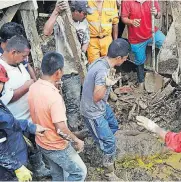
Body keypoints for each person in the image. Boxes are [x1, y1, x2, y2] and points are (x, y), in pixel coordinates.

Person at [28, 51, 87, 181]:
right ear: (58, 72)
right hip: (56, 146)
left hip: (42, 142)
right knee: (79, 172)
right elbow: (60, 129)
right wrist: (76, 140)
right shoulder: (53, 97)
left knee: (57, 174)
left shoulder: (34, 87)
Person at [0, 35, 50, 178]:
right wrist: (27, 86)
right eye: (23, 56)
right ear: (13, 52)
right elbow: (7, 98)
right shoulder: (2, 69)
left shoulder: (19, 63)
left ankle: (38, 170)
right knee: (19, 151)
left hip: (23, 120)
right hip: (13, 122)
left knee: (33, 147)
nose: (25, 59)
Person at [80, 38, 130, 180]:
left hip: (101, 107)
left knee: (113, 125)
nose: (125, 61)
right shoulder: (103, 71)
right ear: (119, 58)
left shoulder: (101, 61)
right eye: (125, 58)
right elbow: (96, 96)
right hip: (93, 111)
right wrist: (107, 84)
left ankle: (91, 134)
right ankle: (109, 172)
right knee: (109, 142)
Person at [44, 0, 90, 131]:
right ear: (75, 11)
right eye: (83, 13)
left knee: (83, 98)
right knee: (72, 103)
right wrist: (56, 12)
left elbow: (86, 40)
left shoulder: (84, 22)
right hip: (68, 71)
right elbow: (46, 32)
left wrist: (81, 52)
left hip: (81, 67)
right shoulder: (60, 21)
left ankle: (82, 124)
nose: (86, 15)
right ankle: (73, 131)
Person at [121, 0, 166, 90]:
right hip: (136, 38)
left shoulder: (152, 1)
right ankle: (141, 81)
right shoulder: (127, 1)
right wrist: (131, 22)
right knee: (140, 60)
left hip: (152, 32)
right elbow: (123, 18)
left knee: (165, 44)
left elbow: (159, 15)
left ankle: (164, 74)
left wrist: (156, 13)